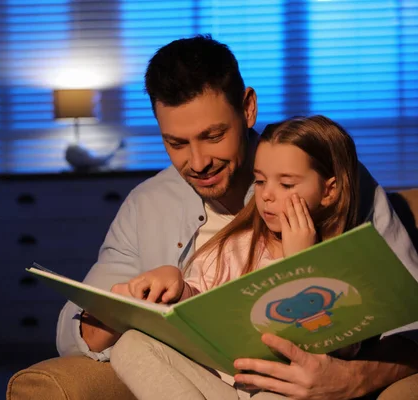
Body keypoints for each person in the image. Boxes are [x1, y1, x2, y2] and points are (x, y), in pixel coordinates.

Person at [50, 35, 418, 399]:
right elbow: (75, 332)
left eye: (213, 136)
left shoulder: (326, 181)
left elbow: (410, 318)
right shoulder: (147, 204)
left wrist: (352, 379)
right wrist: (126, 305)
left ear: (248, 108)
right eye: (176, 143)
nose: (197, 163)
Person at [109, 115, 364, 400]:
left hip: (286, 391)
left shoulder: (346, 261)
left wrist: (301, 266)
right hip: (227, 388)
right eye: (260, 180)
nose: (267, 195)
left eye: (287, 184)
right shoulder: (236, 247)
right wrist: (179, 288)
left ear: (329, 191)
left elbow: (342, 352)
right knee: (130, 344)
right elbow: (201, 309)